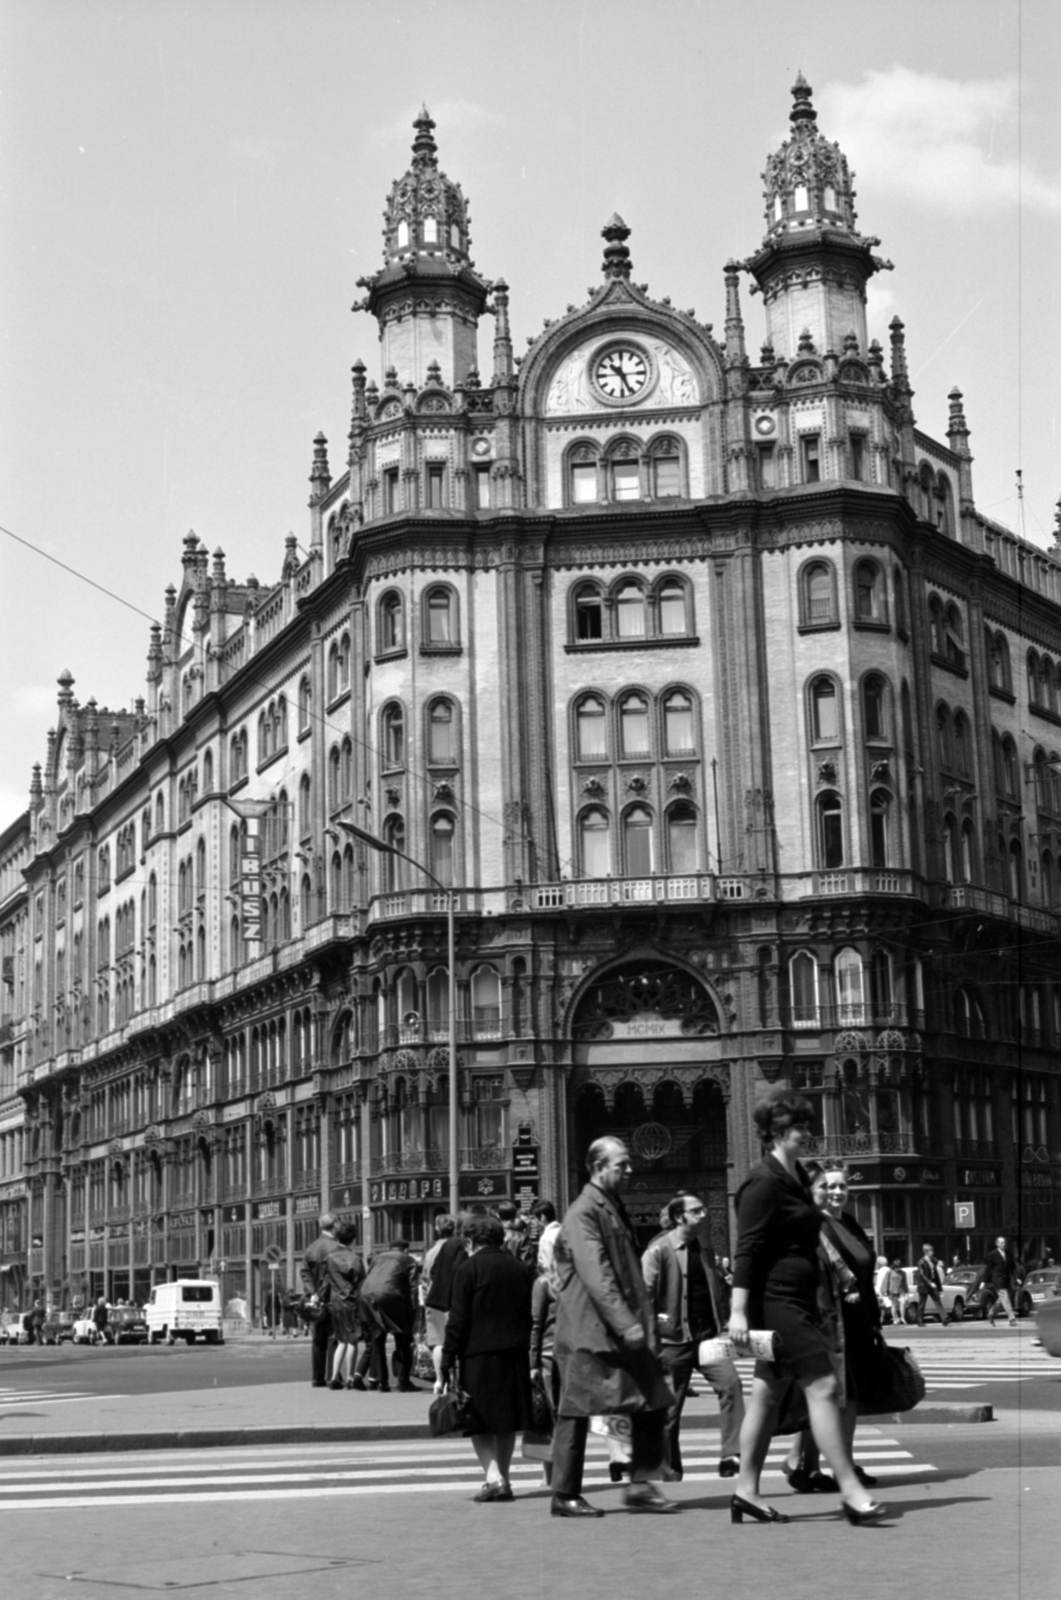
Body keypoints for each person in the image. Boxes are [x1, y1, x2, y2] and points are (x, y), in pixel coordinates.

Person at [728, 1089, 883, 1525]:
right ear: (778, 1131)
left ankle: (745, 1492)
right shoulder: (763, 1182)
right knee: (824, 1387)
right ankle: (850, 1489)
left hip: (798, 1299)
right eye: (801, 1127)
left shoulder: (795, 1178)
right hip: (777, 1301)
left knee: (767, 1394)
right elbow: (748, 1250)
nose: (808, 1134)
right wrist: (738, 1312)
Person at [549, 1136, 676, 1518]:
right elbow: (597, 1273)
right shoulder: (583, 1211)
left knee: (653, 1398)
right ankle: (565, 1494)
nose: (629, 1169)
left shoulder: (609, 1207)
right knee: (575, 1410)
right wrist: (627, 1323)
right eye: (621, 1164)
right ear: (598, 1167)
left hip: (614, 1329)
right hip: (591, 1331)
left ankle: (640, 1484)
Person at [783, 1164, 880, 1492]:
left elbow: (865, 1269)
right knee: (840, 1399)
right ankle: (840, 1466)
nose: (837, 1192)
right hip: (833, 1322)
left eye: (842, 1186)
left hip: (859, 1321)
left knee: (835, 1397)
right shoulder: (818, 1225)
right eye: (829, 1187)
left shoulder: (849, 1222)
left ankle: (806, 1465)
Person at [642, 1193, 744, 1481]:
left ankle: (731, 1454)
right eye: (697, 1210)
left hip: (707, 1338)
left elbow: (711, 1290)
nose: (705, 1214)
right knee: (669, 1414)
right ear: (679, 1217)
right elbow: (643, 1296)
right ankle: (670, 1473)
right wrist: (655, 1331)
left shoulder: (705, 1249)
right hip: (673, 1342)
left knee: (732, 1384)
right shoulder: (659, 1250)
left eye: (704, 1209)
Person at [441, 1213, 535, 1501]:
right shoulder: (519, 1268)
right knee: (506, 1419)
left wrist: (447, 1357)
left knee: (477, 1419)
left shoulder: (468, 1269)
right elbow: (529, 1313)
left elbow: (458, 1318)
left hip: (478, 1354)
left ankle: (493, 1478)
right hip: (514, 1353)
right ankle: (503, 1479)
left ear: (470, 1240)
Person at [359, 1237, 419, 1391]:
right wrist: (412, 1313)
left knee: (377, 1338)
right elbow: (413, 1288)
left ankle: (382, 1381)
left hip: (366, 1295)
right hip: (391, 1295)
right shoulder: (409, 1260)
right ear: (406, 1249)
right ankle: (403, 1380)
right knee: (403, 1338)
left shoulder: (378, 1258)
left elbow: (371, 1277)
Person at [421, 1214, 468, 1393]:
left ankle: (440, 1381)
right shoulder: (461, 1246)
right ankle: (455, 1381)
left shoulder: (432, 1252)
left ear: (437, 1229)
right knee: (456, 1339)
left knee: (438, 1341)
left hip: (436, 1300)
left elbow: (426, 1278)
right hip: (454, 1299)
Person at [300, 1212, 345, 1388]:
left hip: (316, 1302)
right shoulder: (336, 1247)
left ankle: (317, 1377)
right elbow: (332, 1275)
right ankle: (332, 1375)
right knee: (333, 1337)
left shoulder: (311, 1248)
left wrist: (312, 1294)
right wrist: (321, 1292)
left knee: (318, 1340)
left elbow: (304, 1272)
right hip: (333, 1298)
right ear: (334, 1226)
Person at [324, 1219, 365, 1388]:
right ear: (353, 1238)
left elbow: (326, 1281)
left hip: (335, 1302)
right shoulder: (355, 1259)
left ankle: (334, 1378)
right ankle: (349, 1377)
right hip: (351, 1302)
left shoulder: (330, 1257)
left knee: (340, 1340)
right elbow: (362, 1283)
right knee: (352, 1341)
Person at [981, 1236, 1020, 1327]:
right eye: (1002, 1243)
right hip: (997, 1279)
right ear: (997, 1244)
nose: (1004, 1244)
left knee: (1002, 1300)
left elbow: (1012, 1267)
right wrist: (983, 1281)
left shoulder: (1008, 1253)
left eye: (1004, 1242)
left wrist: (1016, 1278)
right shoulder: (993, 1254)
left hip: (1007, 1280)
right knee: (1005, 1297)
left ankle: (991, 1313)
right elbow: (988, 1268)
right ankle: (1012, 1319)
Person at [915, 1243, 951, 1326]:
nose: (933, 1252)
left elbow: (935, 1274)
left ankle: (944, 1319)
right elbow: (921, 1274)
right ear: (926, 1252)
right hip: (924, 1285)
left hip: (933, 1284)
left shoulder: (933, 1260)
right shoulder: (921, 1262)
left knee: (938, 1301)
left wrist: (939, 1287)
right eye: (931, 1251)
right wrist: (929, 1283)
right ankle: (920, 1321)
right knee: (922, 1304)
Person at [884, 1260, 906, 1327]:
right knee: (894, 1305)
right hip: (892, 1290)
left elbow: (905, 1283)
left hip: (901, 1290)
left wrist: (907, 1292)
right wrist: (885, 1290)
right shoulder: (889, 1272)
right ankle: (895, 1319)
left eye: (899, 1267)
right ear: (894, 1266)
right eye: (896, 1267)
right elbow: (886, 1281)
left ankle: (902, 1318)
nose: (898, 1269)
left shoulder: (903, 1273)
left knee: (903, 1303)